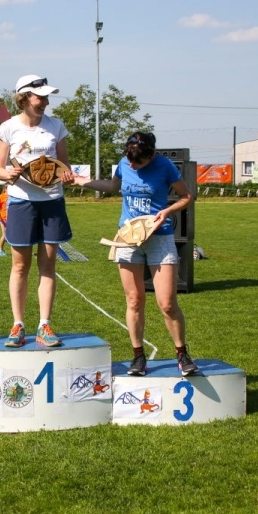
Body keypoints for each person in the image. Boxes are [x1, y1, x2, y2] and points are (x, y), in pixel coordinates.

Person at [74, 131, 198, 376]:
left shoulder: (165, 166)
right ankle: (138, 356)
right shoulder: (125, 162)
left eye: (137, 162)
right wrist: (80, 181)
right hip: (128, 238)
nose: (131, 166)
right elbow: (112, 186)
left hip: (159, 238)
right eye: (129, 161)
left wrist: (167, 211)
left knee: (167, 303)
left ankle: (182, 354)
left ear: (150, 156)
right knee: (134, 300)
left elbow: (186, 196)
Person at [0, 74, 75, 348]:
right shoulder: (7, 128)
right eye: (40, 97)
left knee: (48, 265)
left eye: (46, 97)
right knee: (20, 266)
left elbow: (64, 166)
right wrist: (8, 174)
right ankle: (18, 325)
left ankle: (44, 325)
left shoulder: (56, 126)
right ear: (23, 98)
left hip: (52, 201)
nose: (45, 102)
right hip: (21, 202)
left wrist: (66, 176)